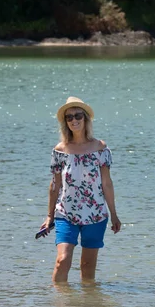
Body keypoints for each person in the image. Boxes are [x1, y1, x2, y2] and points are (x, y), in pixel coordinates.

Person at [39, 96, 121, 282]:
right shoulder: (60, 150)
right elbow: (55, 185)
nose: (74, 120)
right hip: (66, 213)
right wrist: (50, 215)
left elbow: (107, 183)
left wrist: (114, 215)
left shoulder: (100, 148)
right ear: (65, 122)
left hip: (95, 214)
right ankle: (58, 305)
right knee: (62, 260)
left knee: (87, 267)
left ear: (86, 119)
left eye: (78, 116)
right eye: (69, 117)